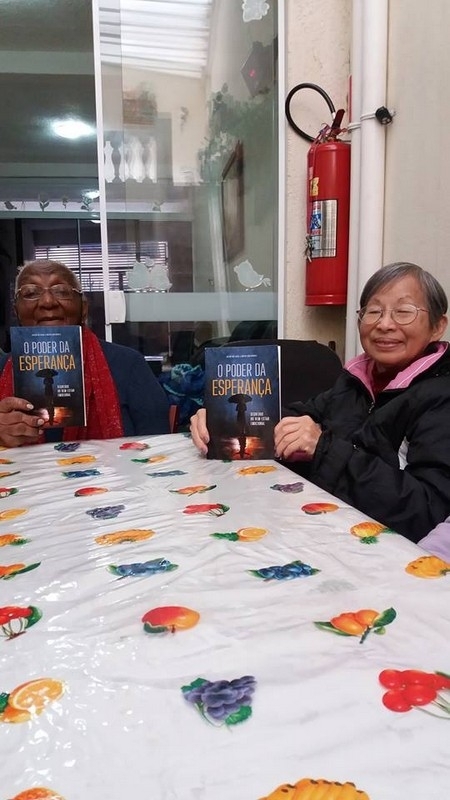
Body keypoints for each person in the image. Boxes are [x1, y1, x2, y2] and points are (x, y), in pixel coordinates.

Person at [190, 262, 450, 543]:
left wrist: (322, 447)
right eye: (373, 312)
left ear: (437, 326)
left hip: (386, 551)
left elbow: (426, 511)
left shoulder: (440, 396)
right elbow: (299, 415)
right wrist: (222, 417)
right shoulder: (355, 380)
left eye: (403, 312)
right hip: (322, 525)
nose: (385, 324)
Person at [0, 259, 170, 446]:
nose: (47, 302)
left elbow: (158, 448)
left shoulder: (129, 365)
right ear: (16, 311)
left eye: (62, 291)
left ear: (83, 309)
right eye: (31, 293)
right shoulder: (2, 370)